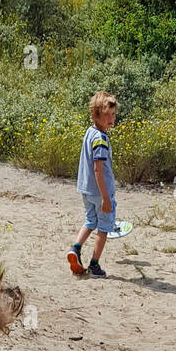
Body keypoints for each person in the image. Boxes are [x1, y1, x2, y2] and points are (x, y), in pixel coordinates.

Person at [67, 91, 118, 279]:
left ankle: (76, 248)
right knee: (104, 228)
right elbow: (98, 170)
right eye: (107, 115)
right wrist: (105, 197)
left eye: (113, 114)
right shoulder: (100, 139)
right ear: (96, 115)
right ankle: (94, 265)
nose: (111, 119)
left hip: (85, 189)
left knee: (90, 221)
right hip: (99, 192)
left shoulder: (90, 132)